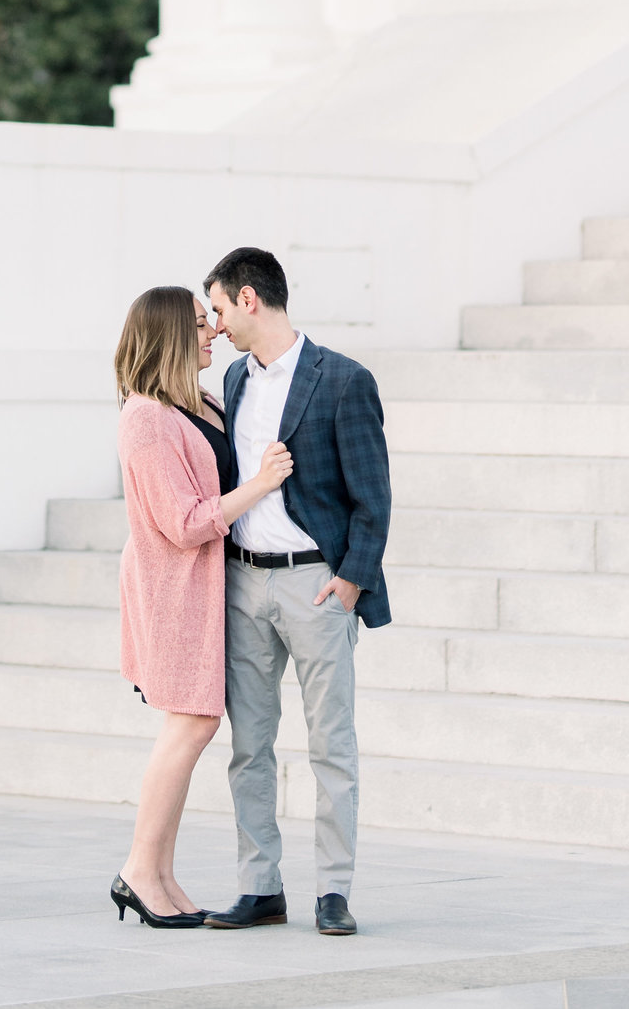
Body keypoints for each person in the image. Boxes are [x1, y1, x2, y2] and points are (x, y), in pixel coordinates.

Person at [203, 245, 391, 940]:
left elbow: (374, 496)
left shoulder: (342, 379)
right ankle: (261, 885)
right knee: (249, 744)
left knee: (331, 743)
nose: (216, 323)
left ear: (250, 298)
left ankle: (333, 889)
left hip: (317, 582)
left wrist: (348, 581)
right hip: (243, 580)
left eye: (219, 307)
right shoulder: (234, 379)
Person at [111, 284, 295, 929]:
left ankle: (158, 873)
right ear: (166, 334)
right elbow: (184, 522)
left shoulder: (199, 402)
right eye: (197, 323)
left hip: (205, 589)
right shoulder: (144, 418)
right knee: (189, 723)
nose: (212, 331)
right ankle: (139, 869)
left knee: (194, 724)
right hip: (172, 593)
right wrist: (260, 486)